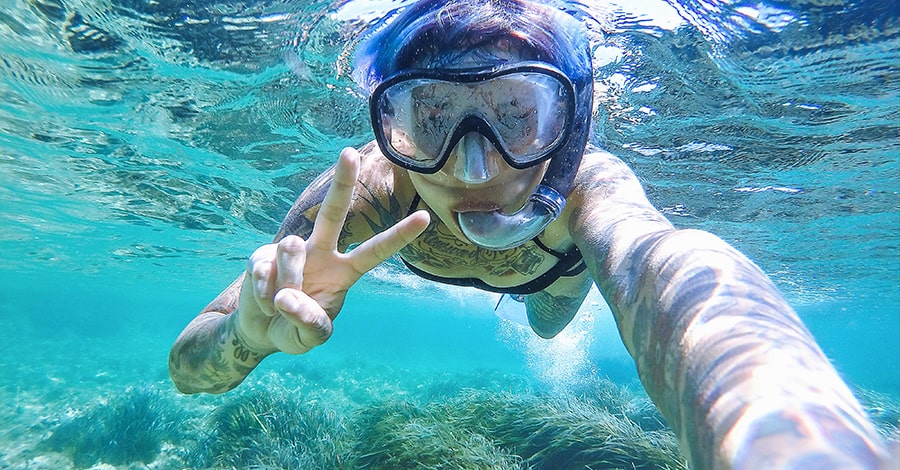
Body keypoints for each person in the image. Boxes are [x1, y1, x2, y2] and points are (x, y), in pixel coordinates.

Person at [168, 0, 893, 467]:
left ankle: (547, 322)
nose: (474, 165)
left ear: (570, 127)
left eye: (517, 113)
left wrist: (794, 441)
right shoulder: (358, 197)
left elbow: (666, 269)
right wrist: (248, 339)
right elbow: (186, 366)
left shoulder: (591, 188)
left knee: (547, 330)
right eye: (432, 116)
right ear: (390, 127)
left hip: (555, 281)